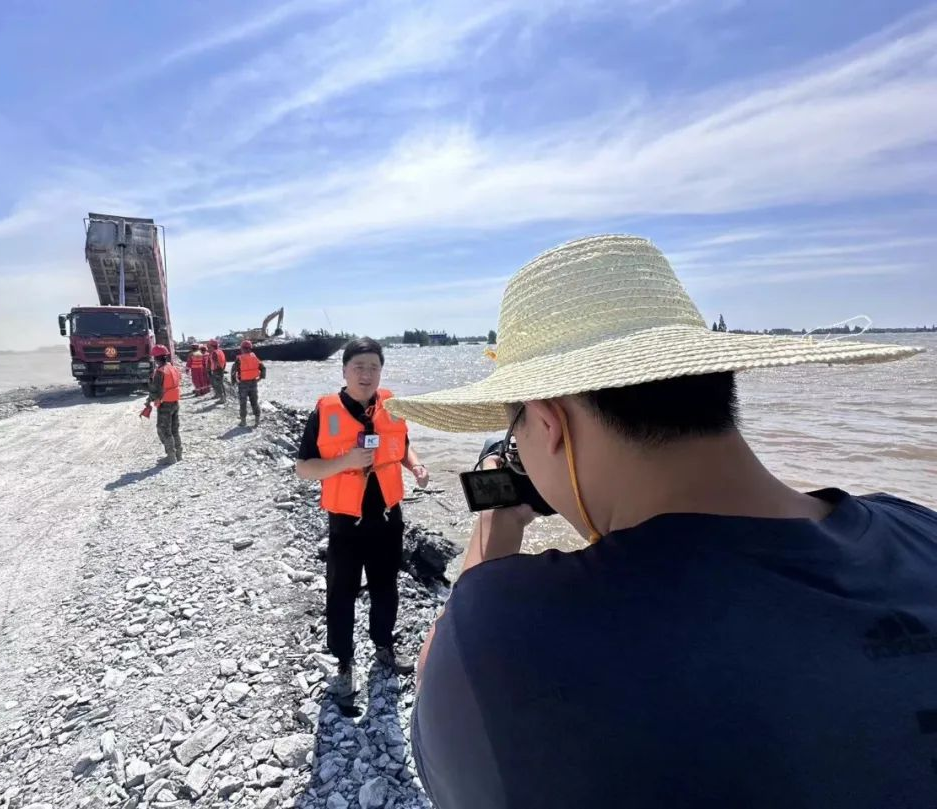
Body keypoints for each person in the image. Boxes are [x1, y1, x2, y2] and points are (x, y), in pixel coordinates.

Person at [385, 235, 931, 809]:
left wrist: (494, 542)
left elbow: (440, 701)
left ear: (548, 424)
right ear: (715, 382)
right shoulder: (918, 530)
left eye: (514, 432)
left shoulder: (508, 630)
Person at [296, 338, 430, 696]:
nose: (366, 374)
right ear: (344, 371)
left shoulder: (392, 405)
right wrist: (345, 462)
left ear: (381, 371)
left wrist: (415, 465)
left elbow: (401, 446)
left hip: (388, 516)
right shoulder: (324, 412)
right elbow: (303, 469)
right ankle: (343, 659)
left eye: (373, 367)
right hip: (345, 521)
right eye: (359, 367)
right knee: (342, 591)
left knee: (386, 586)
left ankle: (384, 646)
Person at [146, 345, 183, 465]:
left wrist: (149, 400)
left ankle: (171, 456)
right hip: (175, 402)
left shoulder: (159, 372)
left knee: (163, 430)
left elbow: (155, 389)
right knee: (174, 429)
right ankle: (179, 454)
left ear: (156, 358)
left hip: (165, 404)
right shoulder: (173, 368)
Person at [231, 340, 265, 428]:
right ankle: (257, 422)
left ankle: (243, 422)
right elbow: (263, 368)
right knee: (254, 402)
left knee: (243, 403)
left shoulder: (239, 358)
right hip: (254, 383)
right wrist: (260, 378)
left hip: (243, 384)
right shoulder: (255, 357)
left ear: (242, 348)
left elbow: (233, 371)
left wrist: (234, 382)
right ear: (250, 348)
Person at [207, 339, 227, 403]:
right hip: (219, 370)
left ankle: (222, 398)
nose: (208, 347)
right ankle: (218, 395)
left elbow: (216, 362)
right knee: (219, 384)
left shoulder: (214, 353)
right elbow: (224, 361)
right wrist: (222, 369)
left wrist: (214, 370)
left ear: (212, 346)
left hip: (217, 371)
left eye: (209, 346)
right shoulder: (220, 351)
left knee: (218, 385)